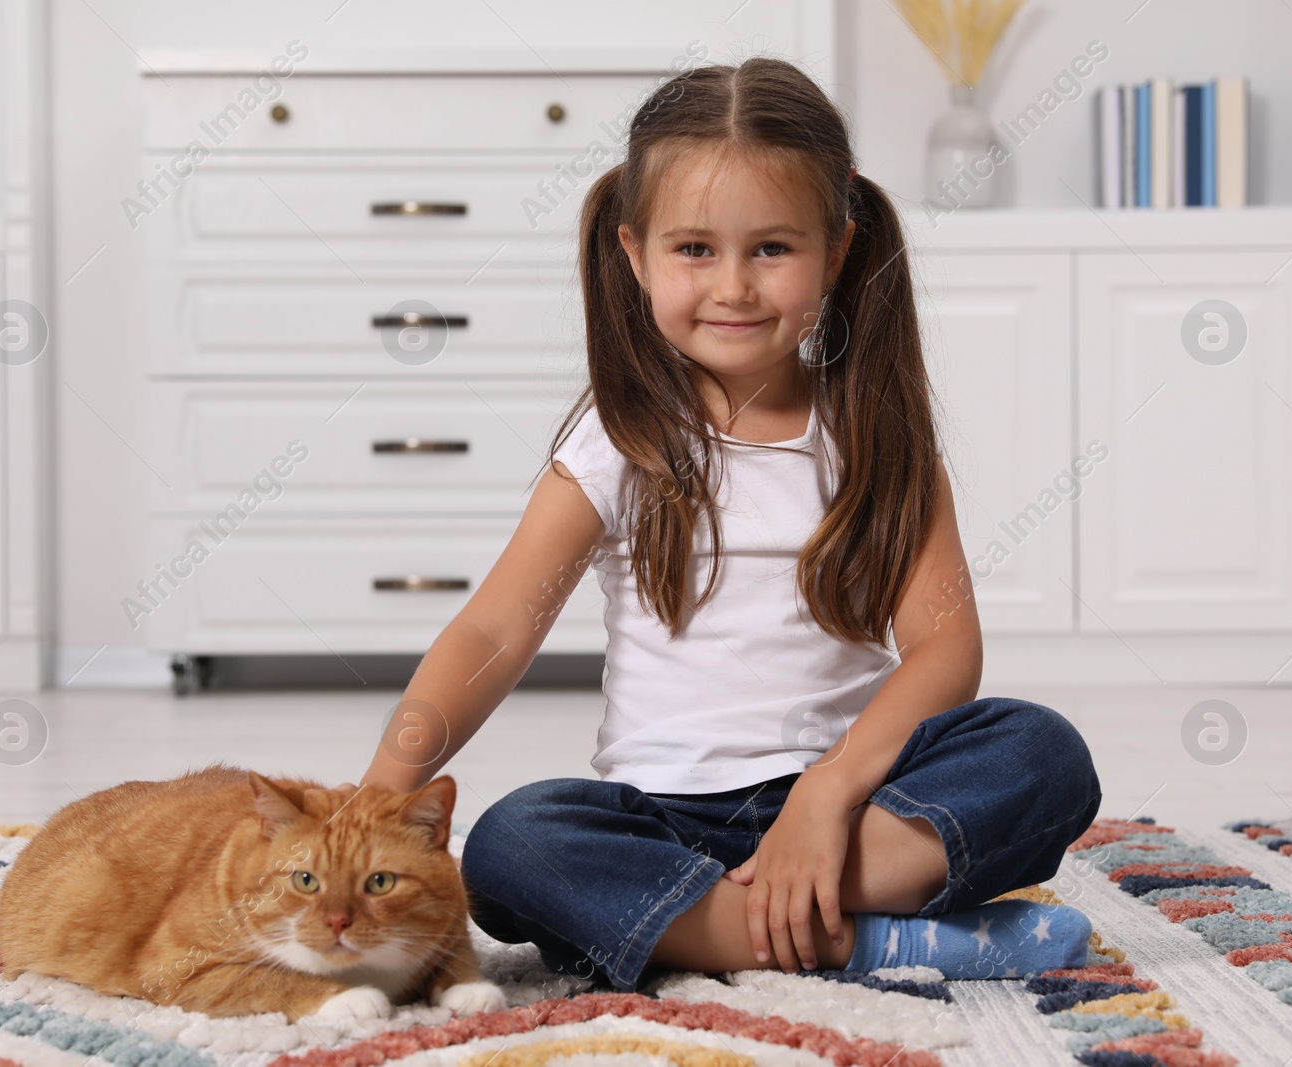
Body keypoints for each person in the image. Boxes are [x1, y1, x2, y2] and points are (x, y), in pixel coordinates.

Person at [357, 56, 1102, 993]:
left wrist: (826, 796)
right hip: (663, 819)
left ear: (837, 249)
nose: (735, 287)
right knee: (516, 845)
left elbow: (944, 653)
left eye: (772, 249)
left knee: (1041, 754)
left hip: (857, 795)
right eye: (695, 249)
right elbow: (495, 631)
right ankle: (864, 939)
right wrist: (379, 798)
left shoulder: (876, 436)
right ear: (634, 255)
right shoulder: (616, 441)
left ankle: (715, 922)